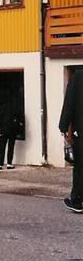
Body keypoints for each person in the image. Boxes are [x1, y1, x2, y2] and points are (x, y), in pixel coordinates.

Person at [59, 70, 83, 213]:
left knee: (80, 167)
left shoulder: (78, 77)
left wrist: (63, 126)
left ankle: (78, 200)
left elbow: (69, 102)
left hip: (81, 131)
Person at [0, 95, 23, 170]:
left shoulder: (2, 107)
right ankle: (9, 163)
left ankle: (0, 164)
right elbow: (20, 117)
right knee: (11, 146)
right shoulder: (16, 107)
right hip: (12, 128)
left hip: (4, 128)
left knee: (2, 146)